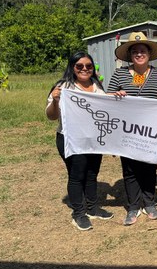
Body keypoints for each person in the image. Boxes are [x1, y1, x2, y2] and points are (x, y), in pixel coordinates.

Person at [108, 31, 157, 226]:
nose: (139, 54)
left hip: (150, 132)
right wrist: (115, 95)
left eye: (142, 51)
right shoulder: (119, 74)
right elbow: (107, 98)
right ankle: (133, 206)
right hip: (126, 131)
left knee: (149, 167)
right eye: (135, 51)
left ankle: (149, 203)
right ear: (129, 55)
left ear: (149, 54)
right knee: (130, 169)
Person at [46, 51, 114, 231]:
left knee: (92, 174)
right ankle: (78, 213)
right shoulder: (63, 87)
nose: (84, 69)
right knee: (77, 175)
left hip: (94, 139)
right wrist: (55, 101)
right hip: (71, 139)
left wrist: (116, 97)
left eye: (88, 66)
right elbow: (51, 116)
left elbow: (104, 107)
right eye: (79, 66)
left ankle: (92, 208)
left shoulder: (97, 85)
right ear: (72, 67)